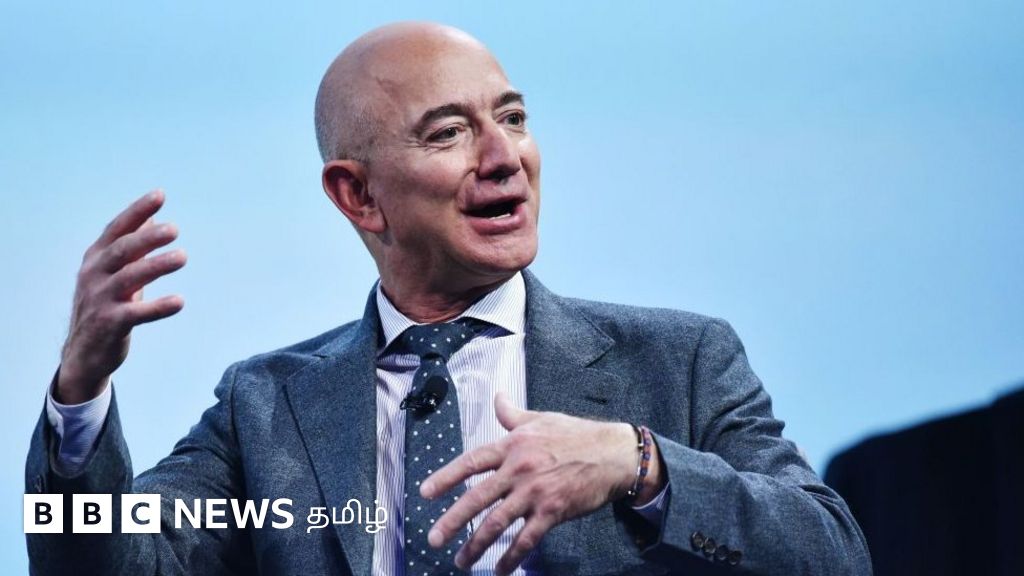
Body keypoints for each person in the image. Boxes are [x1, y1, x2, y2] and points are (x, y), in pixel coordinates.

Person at [25, 21, 870, 576]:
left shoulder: (677, 364)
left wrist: (638, 463)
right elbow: (100, 564)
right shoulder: (267, 407)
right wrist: (79, 391)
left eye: (514, 118)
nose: (504, 156)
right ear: (359, 195)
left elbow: (835, 554)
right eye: (450, 133)